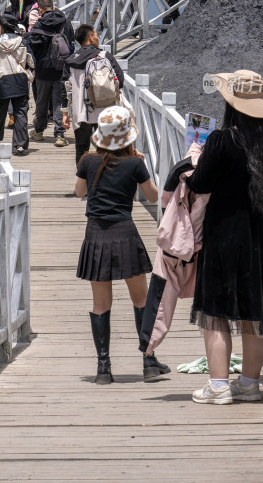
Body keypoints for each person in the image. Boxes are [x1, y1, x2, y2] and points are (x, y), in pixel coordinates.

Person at [187, 70, 263, 404]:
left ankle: (218, 386)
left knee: (216, 311)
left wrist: (194, 159)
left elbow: (200, 183)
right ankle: (248, 383)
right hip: (262, 236)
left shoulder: (221, 140)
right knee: (254, 310)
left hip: (224, 235)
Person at [75, 105, 170, 384]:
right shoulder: (135, 163)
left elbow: (79, 191)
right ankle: (148, 361)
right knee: (141, 299)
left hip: (95, 235)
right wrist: (142, 166)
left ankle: (103, 368)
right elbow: (153, 197)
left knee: (101, 303)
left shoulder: (88, 161)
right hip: (125, 233)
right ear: (128, 138)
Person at [61, 24, 125, 165]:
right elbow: (120, 80)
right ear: (90, 38)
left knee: (82, 150)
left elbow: (65, 88)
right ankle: (104, 179)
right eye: (96, 35)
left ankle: (82, 183)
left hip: (81, 113)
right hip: (105, 110)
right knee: (106, 150)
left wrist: (65, 113)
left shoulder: (71, 61)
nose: (97, 38)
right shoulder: (104, 56)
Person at [26, 0, 75, 147]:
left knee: (41, 101)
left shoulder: (39, 24)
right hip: (61, 69)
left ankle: (39, 131)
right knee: (59, 102)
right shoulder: (65, 22)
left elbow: (33, 46)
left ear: (40, 10)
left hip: (43, 68)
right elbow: (71, 43)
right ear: (53, 7)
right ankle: (60, 135)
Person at [0, 13, 34, 155]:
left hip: (2, 81)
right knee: (21, 112)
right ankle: (19, 144)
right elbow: (32, 62)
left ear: (2, 27)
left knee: (0, 112)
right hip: (20, 80)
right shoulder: (23, 42)